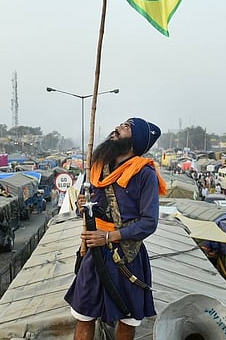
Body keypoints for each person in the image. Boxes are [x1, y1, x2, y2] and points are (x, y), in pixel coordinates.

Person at [64, 118, 164, 340]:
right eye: (120, 125)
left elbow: (149, 222)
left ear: (135, 141)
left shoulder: (144, 174)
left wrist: (109, 236)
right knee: (83, 316)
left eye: (126, 127)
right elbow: (86, 207)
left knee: (127, 321)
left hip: (127, 257)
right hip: (94, 254)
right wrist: (82, 206)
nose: (117, 128)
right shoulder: (96, 167)